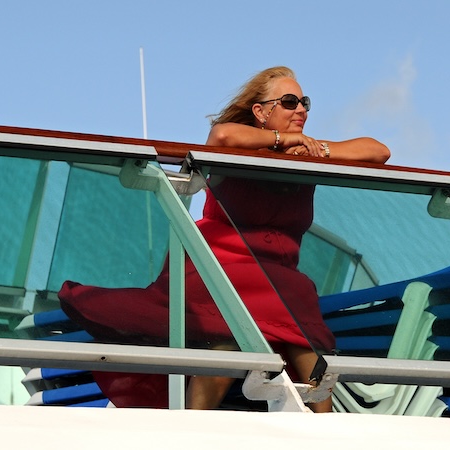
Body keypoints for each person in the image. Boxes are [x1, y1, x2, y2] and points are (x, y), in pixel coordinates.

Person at [58, 66, 390, 412]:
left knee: (300, 333)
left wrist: (314, 151)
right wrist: (282, 142)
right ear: (261, 112)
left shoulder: (307, 154)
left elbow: (378, 151)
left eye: (304, 102)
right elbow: (222, 136)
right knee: (243, 331)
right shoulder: (237, 146)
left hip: (278, 280)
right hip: (218, 267)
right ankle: (193, 429)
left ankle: (327, 435)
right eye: (290, 102)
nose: (301, 110)